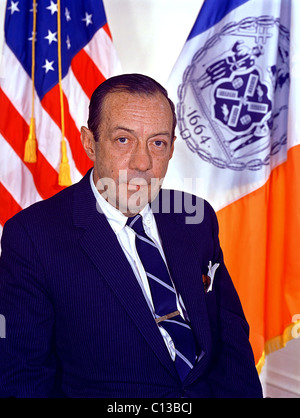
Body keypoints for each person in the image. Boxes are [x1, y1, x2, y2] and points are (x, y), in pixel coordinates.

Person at [0, 74, 262, 398]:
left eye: (158, 142)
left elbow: (230, 340)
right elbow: (24, 376)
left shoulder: (196, 216)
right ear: (89, 143)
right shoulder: (33, 236)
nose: (143, 162)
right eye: (123, 140)